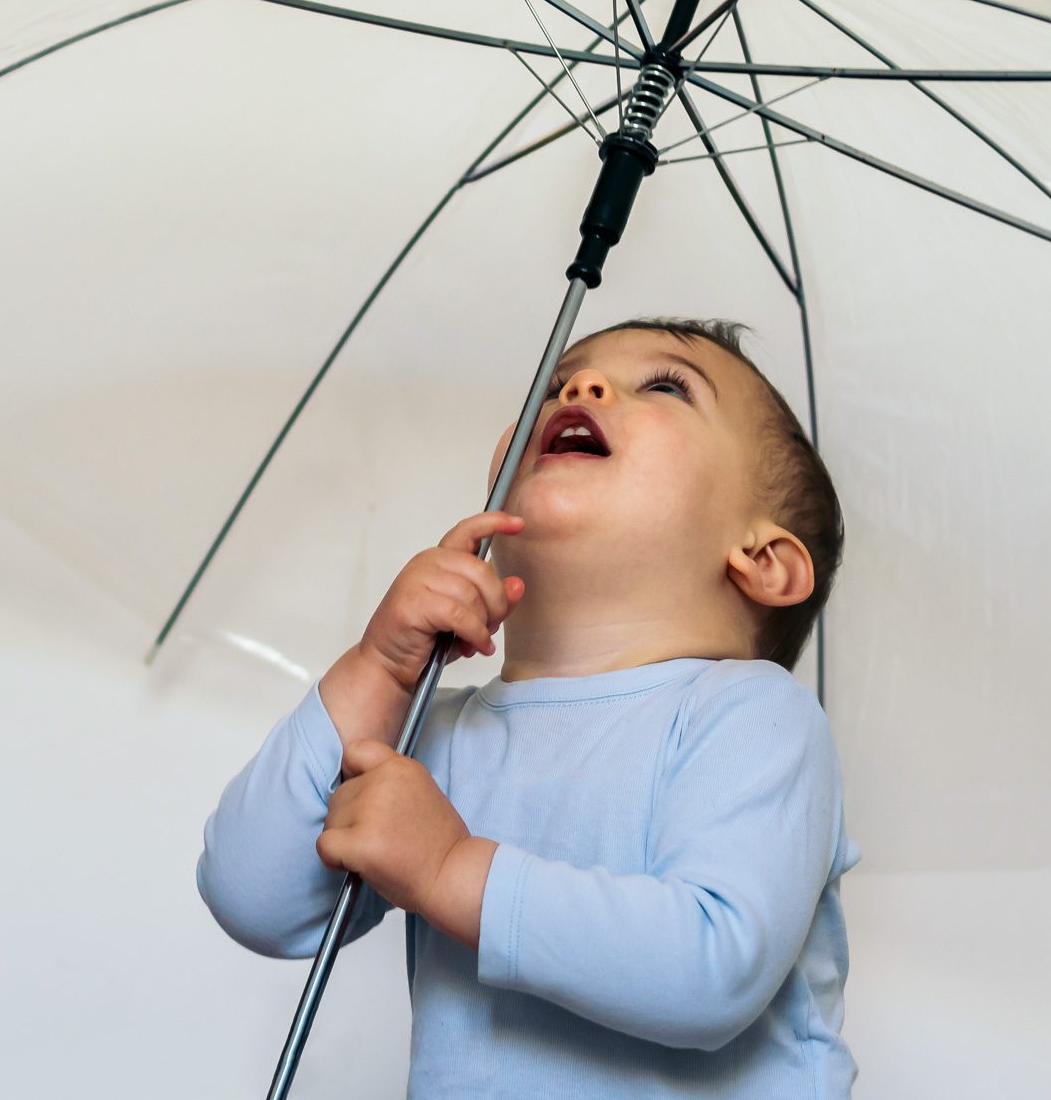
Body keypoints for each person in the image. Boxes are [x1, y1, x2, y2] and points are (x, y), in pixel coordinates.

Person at [196, 316, 860, 1097]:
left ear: (763, 560)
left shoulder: (752, 716)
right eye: (555, 382)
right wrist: (378, 668)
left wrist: (448, 868)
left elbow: (715, 965)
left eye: (666, 386)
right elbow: (256, 899)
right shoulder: (431, 733)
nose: (579, 388)